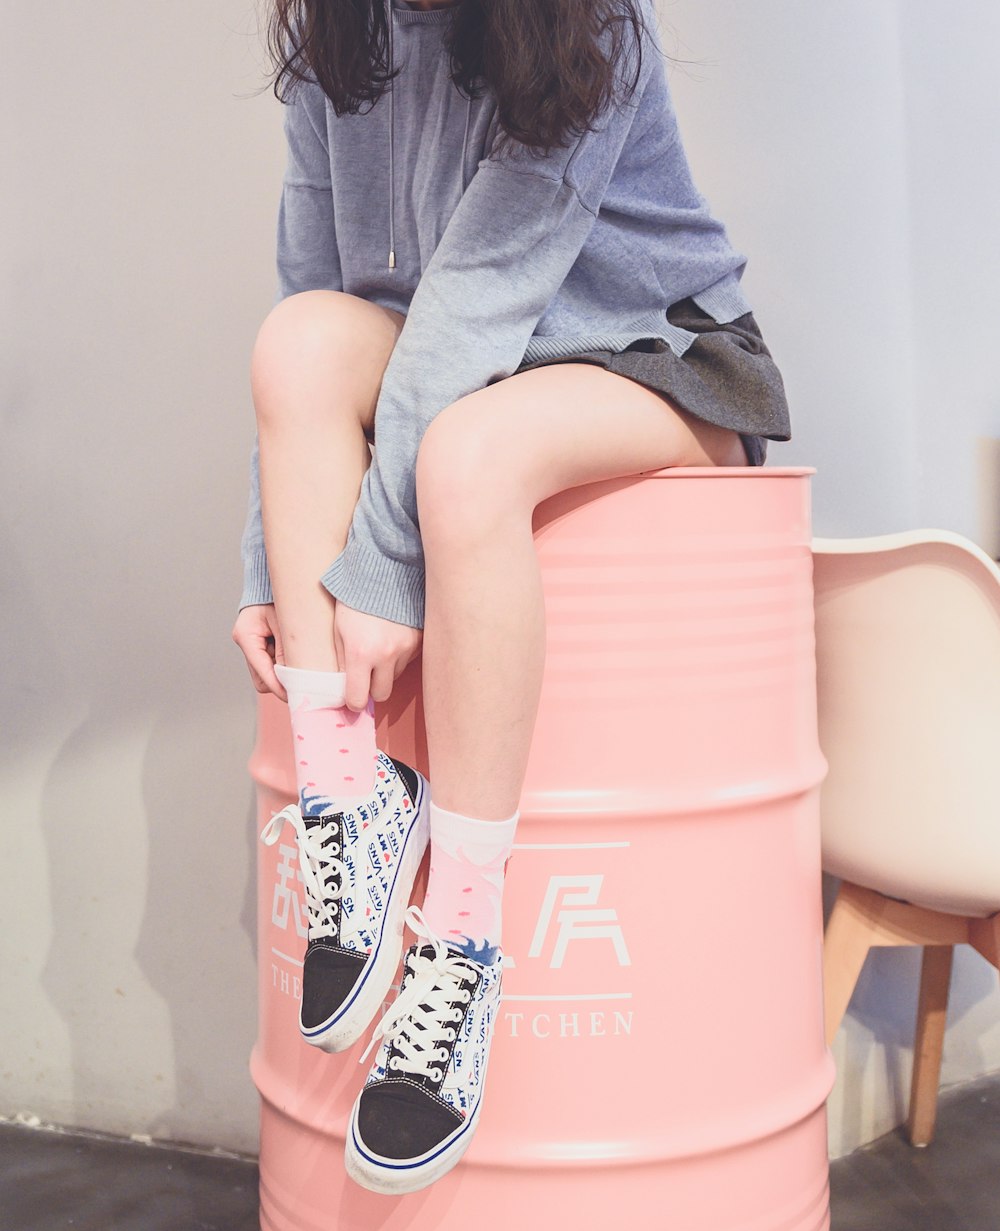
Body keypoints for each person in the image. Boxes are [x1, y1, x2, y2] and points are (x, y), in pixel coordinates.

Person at [233, 0, 791, 1196]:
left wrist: (381, 567)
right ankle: (351, 793)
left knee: (471, 458)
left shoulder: (588, 27)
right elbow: (316, 293)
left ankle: (466, 937)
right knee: (295, 339)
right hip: (475, 365)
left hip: (655, 353)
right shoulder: (341, 36)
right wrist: (261, 571)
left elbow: (483, 291)